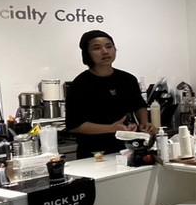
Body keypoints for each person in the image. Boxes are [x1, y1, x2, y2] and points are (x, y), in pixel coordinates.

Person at [65, 29, 156, 159]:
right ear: (87, 54)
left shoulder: (128, 79)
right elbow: (75, 126)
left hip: (128, 149)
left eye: (109, 46)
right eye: (97, 48)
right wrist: (111, 128)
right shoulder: (80, 84)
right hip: (95, 153)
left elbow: (139, 105)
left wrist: (144, 123)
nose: (105, 51)